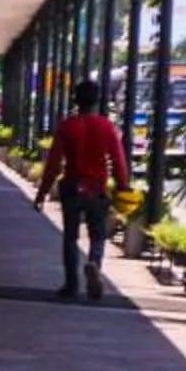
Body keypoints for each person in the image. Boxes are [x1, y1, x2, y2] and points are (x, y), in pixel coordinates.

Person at [34, 79, 129, 302]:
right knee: (97, 236)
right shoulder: (107, 126)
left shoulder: (67, 126)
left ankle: (71, 285)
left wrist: (42, 194)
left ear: (76, 100)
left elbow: (54, 164)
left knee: (70, 237)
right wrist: (123, 186)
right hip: (97, 189)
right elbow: (118, 160)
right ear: (96, 101)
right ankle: (94, 262)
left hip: (73, 187)